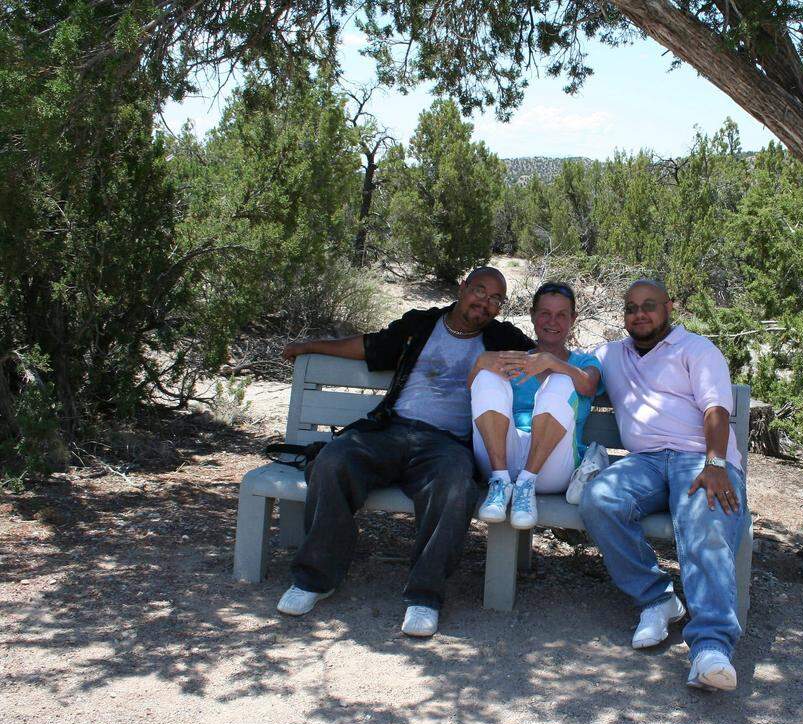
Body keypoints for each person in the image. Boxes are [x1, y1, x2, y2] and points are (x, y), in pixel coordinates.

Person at [274, 267, 534, 637]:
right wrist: (309, 347)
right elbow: (370, 347)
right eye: (480, 291)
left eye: (496, 299)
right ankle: (315, 579)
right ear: (462, 288)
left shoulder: (502, 338)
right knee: (332, 461)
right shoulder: (422, 323)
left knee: (456, 487)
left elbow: (544, 358)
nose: (486, 303)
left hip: (447, 444)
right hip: (389, 430)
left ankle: (425, 596)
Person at [579, 279, 748, 691]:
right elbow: (583, 380)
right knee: (600, 498)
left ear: (669, 307)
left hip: (700, 458)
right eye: (631, 307)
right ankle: (657, 598)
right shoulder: (610, 354)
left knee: (705, 520)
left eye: (649, 305)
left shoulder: (697, 349)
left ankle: (711, 648)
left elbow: (716, 408)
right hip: (646, 463)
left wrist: (715, 463)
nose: (640, 314)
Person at [467, 282, 603, 529]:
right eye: (545, 313)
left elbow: (588, 386)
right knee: (487, 374)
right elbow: (476, 392)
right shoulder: (516, 358)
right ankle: (500, 483)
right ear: (532, 316)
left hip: (551, 468)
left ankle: (526, 484)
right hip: (502, 461)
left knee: (562, 379)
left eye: (562, 315)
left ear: (573, 318)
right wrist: (479, 364)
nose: (553, 321)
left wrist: (552, 362)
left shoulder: (584, 362)